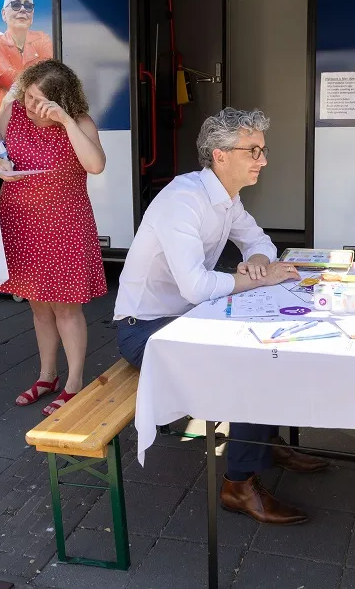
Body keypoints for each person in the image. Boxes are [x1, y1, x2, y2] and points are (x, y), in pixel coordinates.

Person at [114, 107, 328, 525]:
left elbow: (258, 240)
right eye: (253, 151)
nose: (263, 160)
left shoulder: (224, 197)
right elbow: (195, 286)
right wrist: (254, 281)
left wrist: (261, 263)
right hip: (146, 331)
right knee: (249, 362)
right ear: (220, 155)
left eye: (263, 150)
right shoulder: (183, 200)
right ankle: (238, 484)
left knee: (275, 342)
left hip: (186, 318)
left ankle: (263, 443)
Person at [0, 60, 108, 416]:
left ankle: (74, 383)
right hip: (21, 220)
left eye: (42, 101)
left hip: (64, 225)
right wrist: (0, 166)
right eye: (30, 96)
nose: (33, 106)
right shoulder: (14, 111)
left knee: (66, 307)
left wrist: (66, 122)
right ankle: (47, 375)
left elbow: (96, 165)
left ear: (63, 101)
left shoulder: (79, 123)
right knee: (38, 306)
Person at [0, 0, 54, 110]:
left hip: (41, 113)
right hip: (8, 116)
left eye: (28, 6)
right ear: (3, 14)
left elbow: (47, 79)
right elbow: (8, 77)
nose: (23, 9)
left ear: (32, 14)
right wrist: (35, 81)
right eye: (16, 5)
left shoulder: (43, 39)